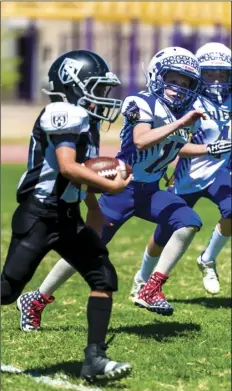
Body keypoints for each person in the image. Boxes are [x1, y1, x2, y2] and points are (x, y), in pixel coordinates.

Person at [15, 46, 230, 328]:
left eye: (185, 83)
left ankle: (150, 288)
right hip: (121, 186)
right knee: (88, 248)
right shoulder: (139, 102)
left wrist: (206, 148)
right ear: (157, 76)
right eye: (173, 79)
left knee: (189, 221)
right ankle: (37, 298)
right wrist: (181, 123)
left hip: (150, 190)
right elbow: (142, 140)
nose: (178, 88)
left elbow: (177, 145)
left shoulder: (187, 112)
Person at [1, 49, 133, 382]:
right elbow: (68, 167)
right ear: (73, 84)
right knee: (7, 290)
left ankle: (95, 359)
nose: (104, 96)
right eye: (98, 88)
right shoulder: (62, 112)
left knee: (103, 276)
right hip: (41, 214)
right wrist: (112, 187)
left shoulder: (85, 121)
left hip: (67, 214)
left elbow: (81, 173)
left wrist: (93, 207)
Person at [130, 42, 231, 301]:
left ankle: (207, 260)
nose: (217, 80)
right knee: (165, 232)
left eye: (223, 74)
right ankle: (142, 278)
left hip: (219, 171)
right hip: (187, 175)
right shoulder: (186, 100)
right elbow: (173, 144)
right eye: (210, 74)